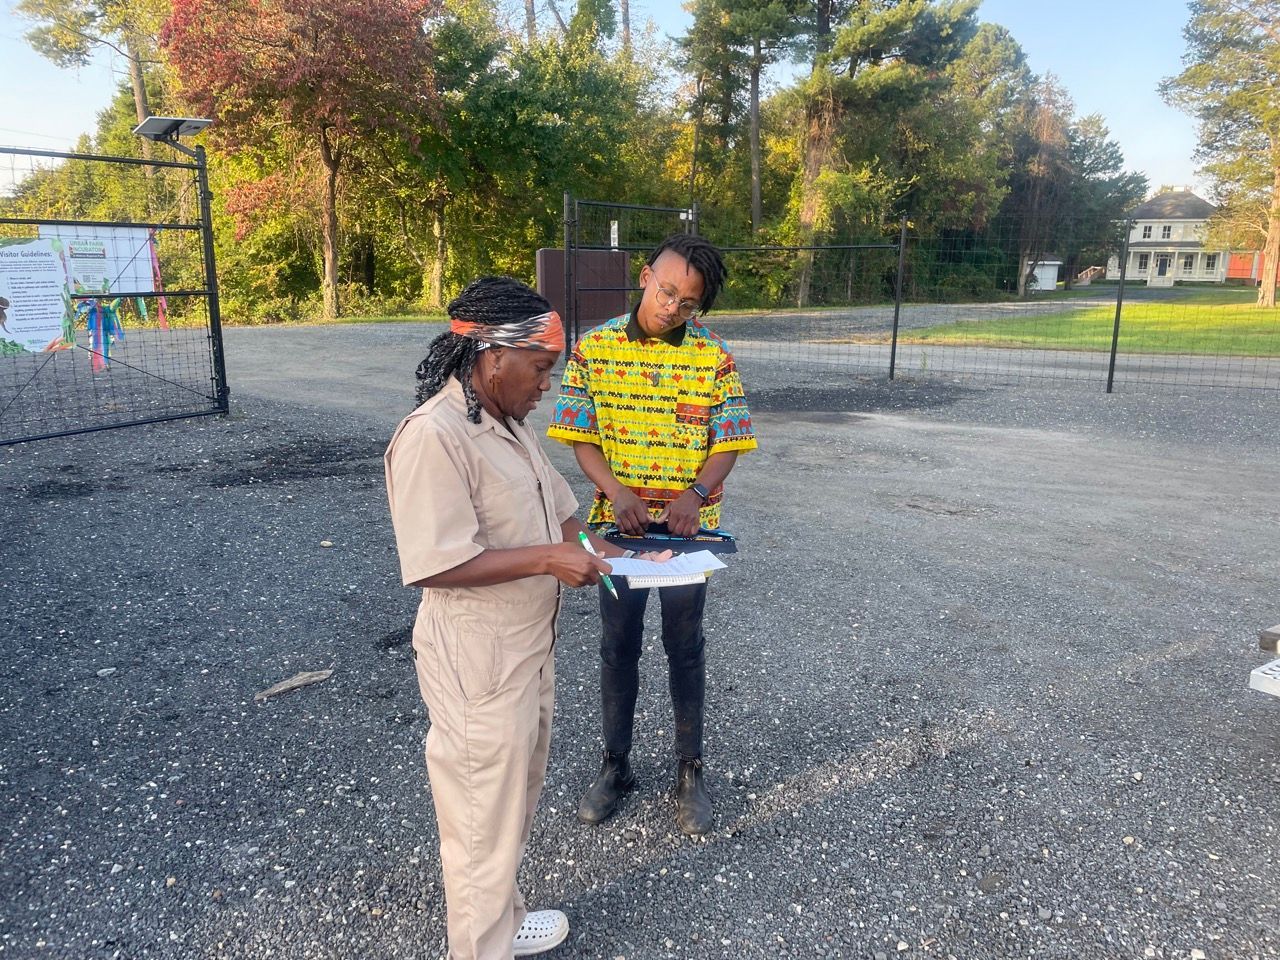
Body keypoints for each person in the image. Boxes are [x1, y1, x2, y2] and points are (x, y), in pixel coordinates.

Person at [385, 277, 645, 959]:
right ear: (493, 356)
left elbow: (563, 517)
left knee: (511, 807)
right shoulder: (432, 437)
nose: (545, 387)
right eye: (539, 370)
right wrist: (549, 559)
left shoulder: (508, 425)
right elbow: (436, 564)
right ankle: (481, 948)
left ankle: (502, 920)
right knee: (479, 825)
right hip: (478, 663)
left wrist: (605, 554)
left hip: (526, 650)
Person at [547, 234, 757, 836]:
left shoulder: (713, 356)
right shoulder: (596, 348)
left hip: (692, 534)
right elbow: (580, 434)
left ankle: (690, 771)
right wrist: (616, 491)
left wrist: (694, 496)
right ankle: (616, 764)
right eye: (667, 291)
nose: (673, 307)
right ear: (645, 277)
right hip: (619, 528)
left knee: (685, 645)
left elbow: (731, 438)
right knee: (619, 645)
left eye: (689, 303)